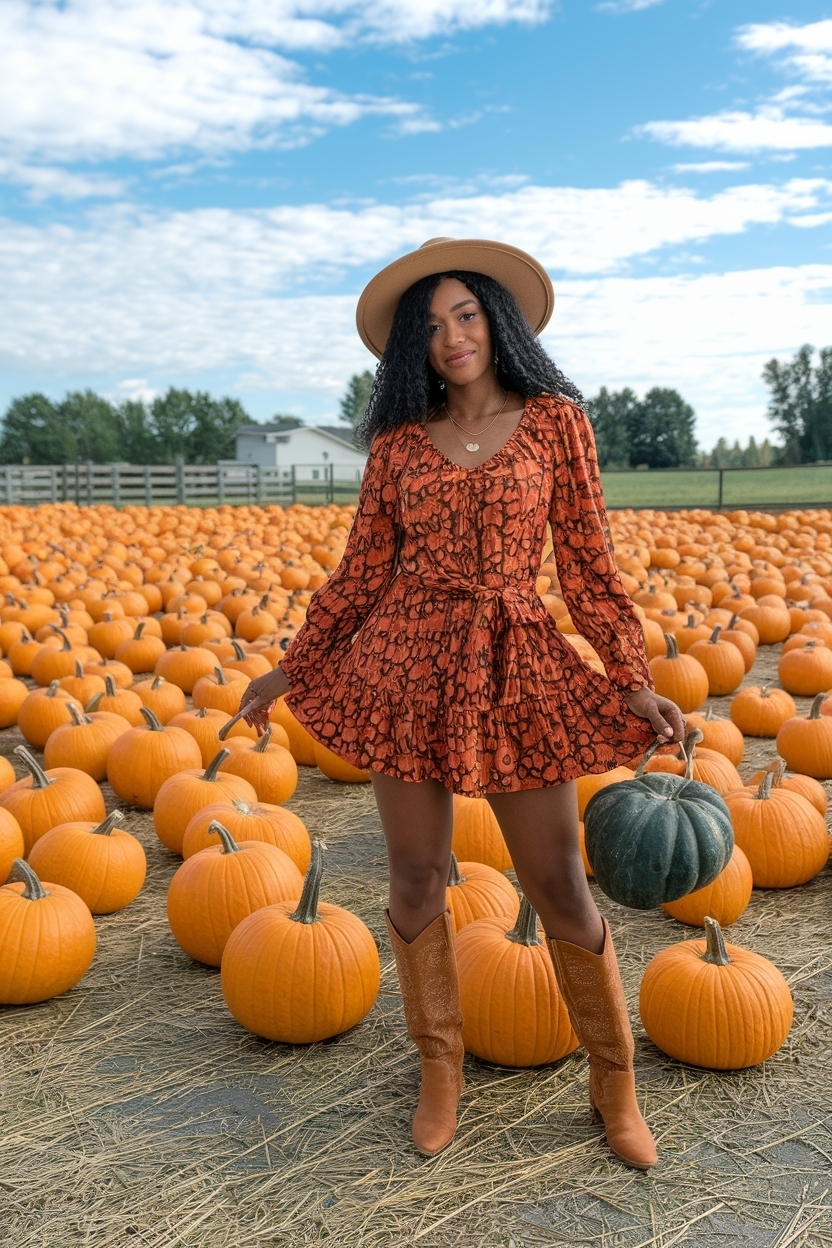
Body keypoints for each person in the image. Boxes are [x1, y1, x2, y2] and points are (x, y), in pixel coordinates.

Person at [237, 237, 686, 1171]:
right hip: (406, 666)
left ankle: (615, 1083)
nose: (452, 337)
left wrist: (631, 673)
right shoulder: (399, 446)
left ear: (498, 320)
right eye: (432, 325)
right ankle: (440, 1067)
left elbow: (590, 568)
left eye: (467, 315)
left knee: (558, 881)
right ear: (414, 345)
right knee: (414, 875)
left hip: (516, 661)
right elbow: (361, 574)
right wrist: (292, 666)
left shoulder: (557, 423)